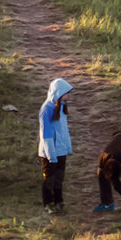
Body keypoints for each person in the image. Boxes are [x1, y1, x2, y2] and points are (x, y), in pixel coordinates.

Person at [38, 78, 72, 214]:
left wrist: (67, 147)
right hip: (49, 153)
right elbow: (46, 135)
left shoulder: (61, 106)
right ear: (57, 93)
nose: (67, 96)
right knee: (49, 179)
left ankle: (59, 201)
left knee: (59, 178)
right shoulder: (46, 109)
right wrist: (51, 155)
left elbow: (64, 130)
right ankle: (48, 204)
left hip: (61, 150)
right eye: (65, 93)